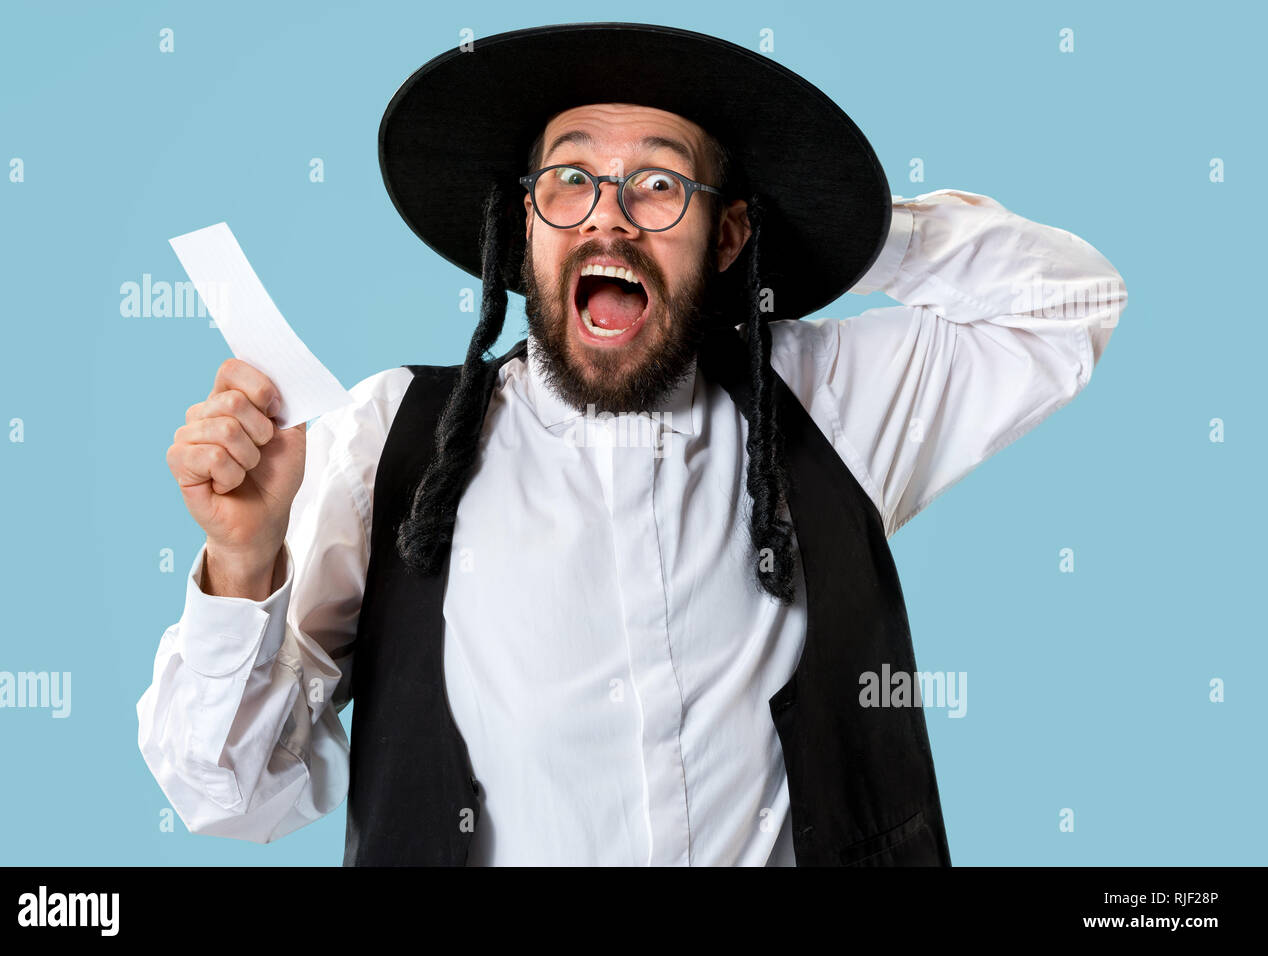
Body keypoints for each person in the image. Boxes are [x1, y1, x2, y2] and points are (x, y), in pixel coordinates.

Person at [139, 23, 1127, 865]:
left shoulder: (822, 398)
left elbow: (1067, 304)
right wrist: (241, 559)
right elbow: (230, 797)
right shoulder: (388, 439)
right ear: (522, 225)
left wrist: (859, 230)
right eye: (568, 179)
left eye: (659, 184)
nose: (608, 217)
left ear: (729, 234)